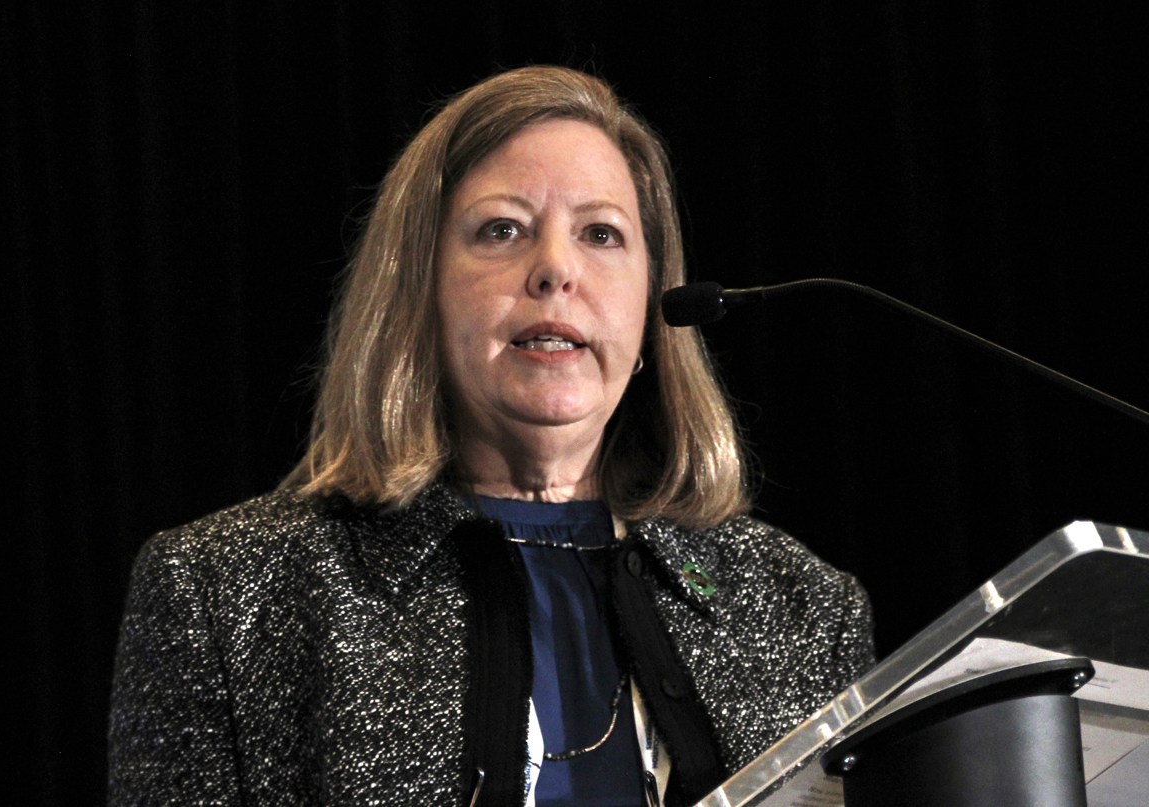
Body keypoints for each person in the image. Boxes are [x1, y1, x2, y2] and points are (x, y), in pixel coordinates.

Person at [108, 66, 874, 807]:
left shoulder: (802, 608)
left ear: (652, 307)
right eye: (502, 229)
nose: (554, 270)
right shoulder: (227, 595)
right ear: (418, 290)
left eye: (601, 233)